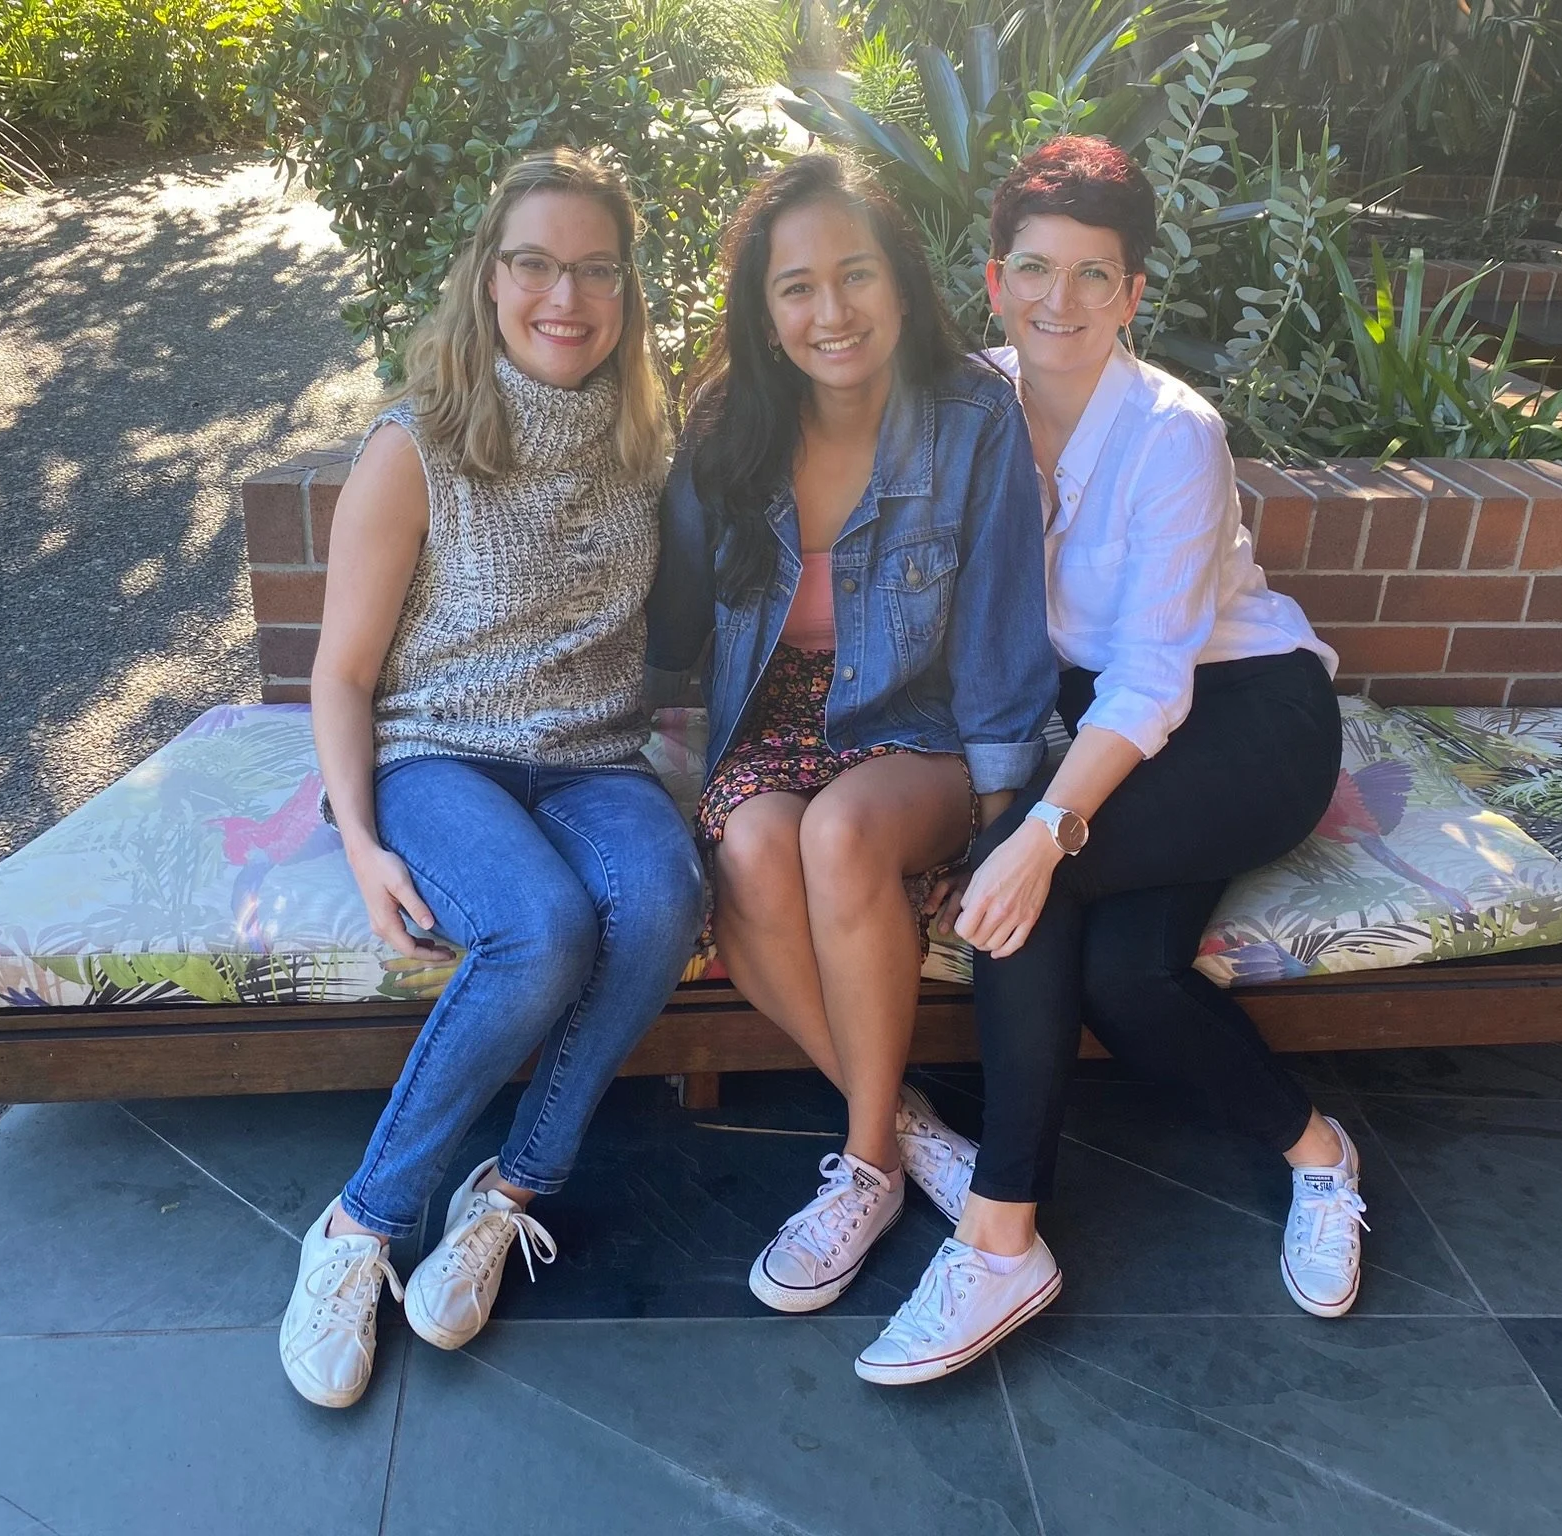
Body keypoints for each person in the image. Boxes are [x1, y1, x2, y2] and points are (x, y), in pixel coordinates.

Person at [856, 136, 1362, 1387]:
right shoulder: (965, 402)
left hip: (1244, 720)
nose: (1059, 301)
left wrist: (1039, 831)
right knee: (1128, 980)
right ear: (994, 279)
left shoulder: (1171, 434)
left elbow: (1151, 677)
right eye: (1034, 268)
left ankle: (999, 1237)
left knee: (1024, 881)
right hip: (1112, 722)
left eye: (1094, 274)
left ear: (1132, 293)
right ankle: (1319, 1154)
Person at [280, 149, 704, 1409]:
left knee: (663, 898)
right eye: (534, 264)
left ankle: (508, 1192)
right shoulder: (414, 449)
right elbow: (342, 673)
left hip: (593, 760)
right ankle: (360, 1222)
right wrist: (363, 842)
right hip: (437, 755)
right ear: (487, 277)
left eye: (595, 269)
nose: (564, 296)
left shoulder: (643, 448)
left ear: (625, 293)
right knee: (539, 927)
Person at [646, 154, 1058, 1319]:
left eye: (854, 274)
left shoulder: (974, 416)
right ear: (763, 311)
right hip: (771, 719)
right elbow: (671, 619)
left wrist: (998, 822)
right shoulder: (727, 426)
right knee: (749, 849)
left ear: (901, 282)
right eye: (795, 287)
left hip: (919, 727)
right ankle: (908, 1131)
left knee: (835, 835)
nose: (829, 311)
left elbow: (998, 637)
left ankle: (865, 1163)